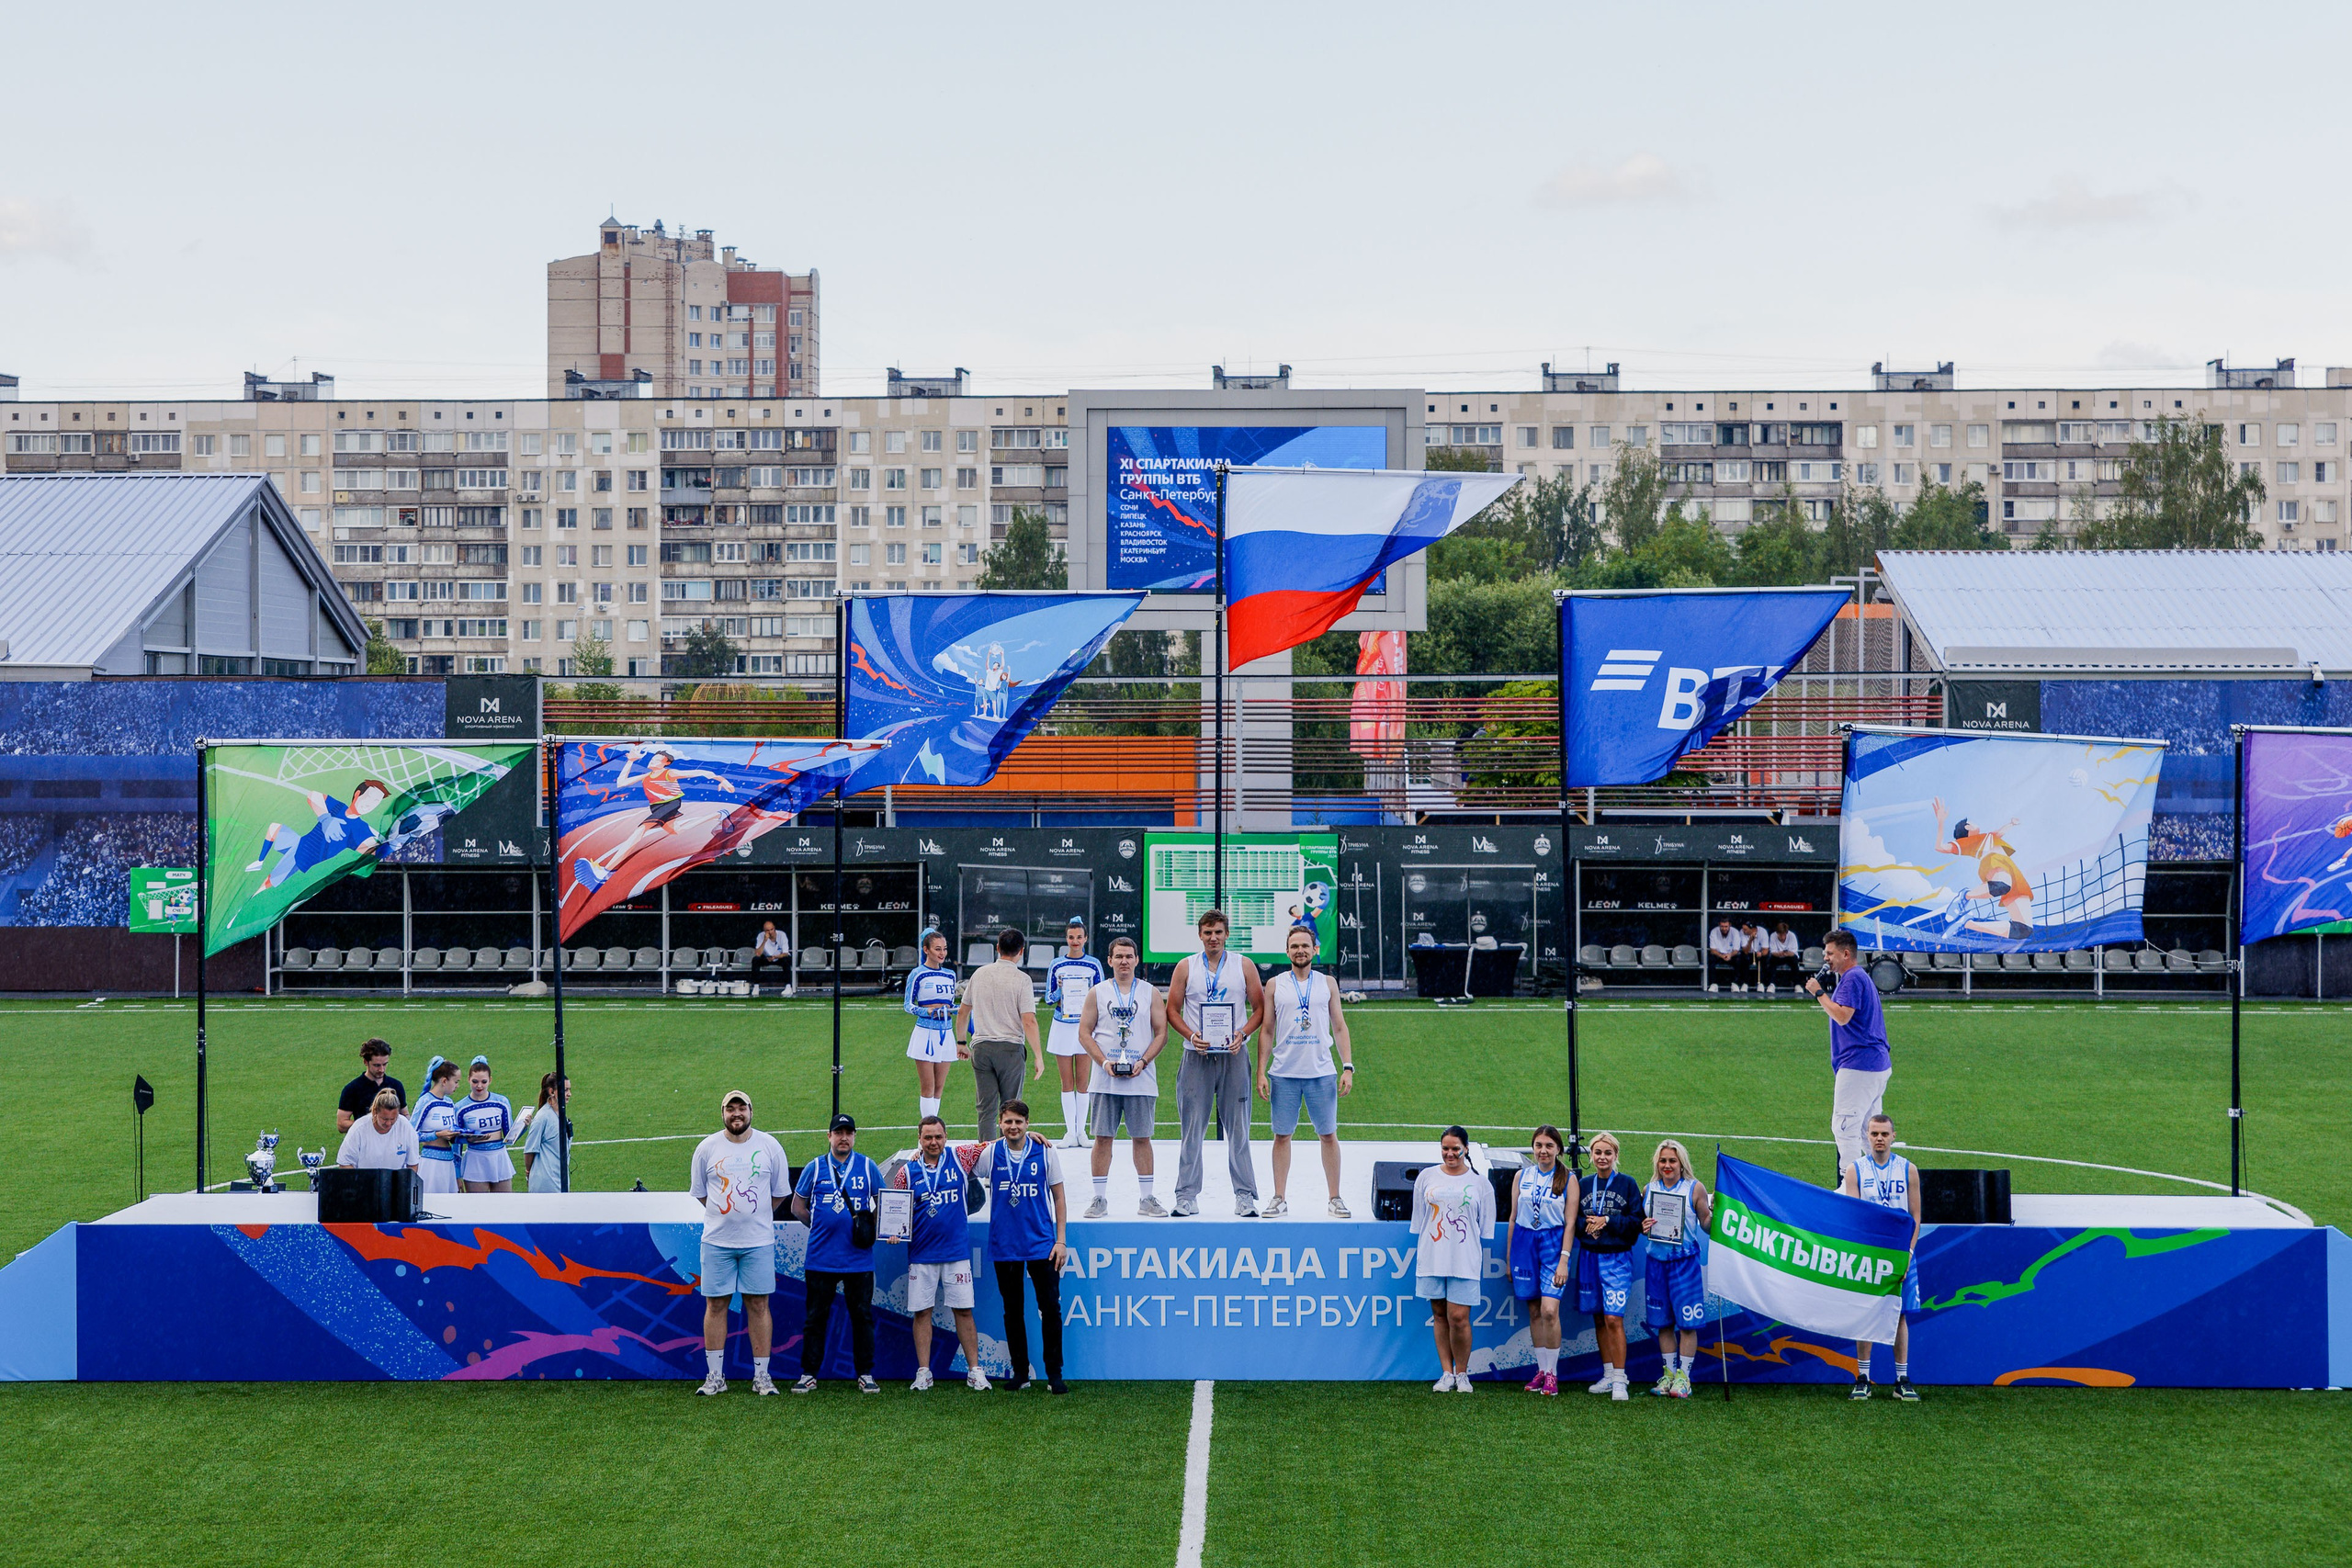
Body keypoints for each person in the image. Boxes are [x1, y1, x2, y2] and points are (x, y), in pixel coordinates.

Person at [688, 1089, 789, 1396]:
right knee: (715, 1305)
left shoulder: (770, 1146)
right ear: (722, 1113)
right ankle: (715, 1376)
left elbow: (779, 1192)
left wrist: (754, 1216)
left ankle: (762, 1377)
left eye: (741, 1108)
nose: (736, 1114)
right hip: (717, 1241)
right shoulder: (707, 1148)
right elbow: (701, 1193)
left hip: (758, 1242)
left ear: (751, 1111)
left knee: (758, 1305)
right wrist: (726, 1216)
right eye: (730, 1109)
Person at [1169, 908, 1264, 1218]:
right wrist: (1191, 1034)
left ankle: (1245, 1196)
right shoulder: (1186, 967)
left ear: (1226, 935)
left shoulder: (1243, 965)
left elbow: (1259, 1008)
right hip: (1197, 1055)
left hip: (1234, 1055)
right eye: (1208, 933)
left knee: (1239, 1129)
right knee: (1192, 1129)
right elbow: (1172, 1009)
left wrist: (1243, 1034)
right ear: (1200, 935)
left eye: (1218, 932)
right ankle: (1186, 1196)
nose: (1213, 938)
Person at [1256, 923, 1354, 1218]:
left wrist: (1347, 1066)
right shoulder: (1274, 984)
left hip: (1320, 1072)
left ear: (1315, 950)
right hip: (1284, 1073)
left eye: (1305, 946)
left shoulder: (1328, 983)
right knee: (1282, 1136)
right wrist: (1261, 1071)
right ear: (1287, 951)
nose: (1300, 950)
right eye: (1294, 946)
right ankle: (1279, 1197)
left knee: (1328, 1135)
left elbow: (1339, 1026)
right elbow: (1267, 1030)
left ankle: (1335, 1197)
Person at [890, 1115, 989, 1392]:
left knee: (964, 1311)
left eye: (938, 1137)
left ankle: (974, 1370)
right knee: (922, 1313)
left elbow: (996, 1143)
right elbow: (896, 1211)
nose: (933, 1142)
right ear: (919, 1139)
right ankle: (924, 1372)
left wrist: (1032, 1137)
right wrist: (894, 1231)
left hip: (956, 1254)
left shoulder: (961, 1158)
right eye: (927, 1138)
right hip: (921, 1255)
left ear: (946, 1136)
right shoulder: (906, 1173)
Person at [978, 1099, 1069, 1393]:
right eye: (1008, 1122)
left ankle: (1054, 1373)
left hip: (1042, 1244)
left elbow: (1059, 1197)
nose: (1013, 1127)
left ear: (1027, 1124)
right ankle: (1021, 1373)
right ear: (1000, 1124)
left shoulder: (1045, 1151)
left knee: (1050, 1310)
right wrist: (919, 1154)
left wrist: (1061, 1240)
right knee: (1012, 1310)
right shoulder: (991, 1153)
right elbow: (958, 1159)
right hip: (1005, 1245)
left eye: (1019, 1122)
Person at [791, 1112, 884, 1393]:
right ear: (828, 1136)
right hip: (821, 1258)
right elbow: (798, 1206)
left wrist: (870, 1226)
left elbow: (886, 1203)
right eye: (839, 1132)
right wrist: (819, 1225)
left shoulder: (868, 1166)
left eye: (849, 1133)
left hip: (858, 1259)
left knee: (862, 1317)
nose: (844, 1138)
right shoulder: (815, 1167)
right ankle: (809, 1374)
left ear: (855, 1136)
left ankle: (865, 1373)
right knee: (815, 1318)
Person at [1078, 934, 1168, 1218]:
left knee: (1142, 1137)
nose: (1124, 961)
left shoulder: (1150, 992)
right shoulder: (1098, 992)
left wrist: (1142, 1061)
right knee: (1103, 1138)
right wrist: (1104, 1063)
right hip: (1106, 1078)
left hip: (1141, 1077)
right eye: (1119, 956)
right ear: (1109, 960)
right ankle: (1099, 1199)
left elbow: (1162, 1033)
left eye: (1129, 956)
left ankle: (1147, 1198)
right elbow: (1084, 1033)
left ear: (1137, 960)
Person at [572, 744, 734, 894]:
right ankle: (720, 815)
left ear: (666, 763)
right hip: (657, 807)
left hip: (669, 804)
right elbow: (621, 783)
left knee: (640, 830)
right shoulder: (646, 776)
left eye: (657, 759)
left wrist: (723, 780)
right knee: (676, 830)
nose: (653, 760)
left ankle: (606, 871)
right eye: (652, 758)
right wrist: (630, 761)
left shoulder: (669, 773)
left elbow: (703, 772)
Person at [1843, 1112, 1923, 1402]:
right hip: (1869, 1254)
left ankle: (1901, 1379)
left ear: (1893, 1136)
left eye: (1884, 1134)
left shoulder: (1908, 1169)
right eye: (1874, 1134)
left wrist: (1909, 1253)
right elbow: (1854, 1217)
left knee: (1899, 1314)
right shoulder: (1856, 1170)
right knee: (1866, 1313)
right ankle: (1863, 1377)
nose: (1879, 1139)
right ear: (1867, 1136)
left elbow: (1915, 1216)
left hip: (1902, 1253)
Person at [1410, 1125, 1494, 1393]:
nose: (1450, 1154)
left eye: (1455, 1149)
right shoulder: (1426, 1177)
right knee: (1439, 1314)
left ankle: (1462, 1373)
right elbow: (1419, 1220)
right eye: (1445, 1148)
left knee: (1459, 1317)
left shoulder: (1481, 1183)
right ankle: (1446, 1373)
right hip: (1432, 1256)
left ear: (1466, 1149)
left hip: (1464, 1258)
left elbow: (1485, 1227)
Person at [1808, 931, 1892, 1185]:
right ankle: (1880, 1184)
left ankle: (1851, 1186)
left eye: (1830, 953)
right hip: (1874, 1064)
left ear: (1846, 954)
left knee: (1844, 1126)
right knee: (1869, 1133)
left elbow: (1843, 1015)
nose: (1825, 958)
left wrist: (1819, 993)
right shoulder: (1858, 978)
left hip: (1859, 1064)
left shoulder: (1852, 978)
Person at [1572, 1130, 1643, 1401]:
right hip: (1589, 1257)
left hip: (1617, 1259)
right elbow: (1573, 1221)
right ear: (1591, 1155)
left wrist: (1609, 1221)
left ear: (1616, 1156)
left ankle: (1620, 1379)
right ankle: (1608, 1373)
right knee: (1599, 1317)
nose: (1602, 1157)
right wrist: (1586, 1225)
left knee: (1614, 1318)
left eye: (1608, 1153)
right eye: (1598, 1152)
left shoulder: (1627, 1184)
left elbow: (1636, 1224)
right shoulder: (1584, 1183)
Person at [1641, 1138, 1713, 1399]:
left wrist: (1714, 1216)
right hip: (1656, 1263)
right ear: (1657, 1164)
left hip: (1685, 1263)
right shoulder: (1649, 1189)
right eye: (1663, 1161)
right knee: (1663, 1323)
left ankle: (1684, 1377)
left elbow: (1706, 1224)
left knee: (1688, 1324)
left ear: (1682, 1164)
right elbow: (1642, 1223)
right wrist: (1643, 1226)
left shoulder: (1695, 1188)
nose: (1667, 1166)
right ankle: (1669, 1374)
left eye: (1672, 1161)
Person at [1507, 1124, 1575, 1394]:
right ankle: (1542, 1370)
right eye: (1539, 1146)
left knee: (1549, 1310)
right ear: (1533, 1148)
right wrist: (1510, 1255)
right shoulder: (1521, 1176)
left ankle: (1553, 1374)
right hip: (1524, 1244)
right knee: (1534, 1310)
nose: (1543, 1151)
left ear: (1558, 1149)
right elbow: (1513, 1218)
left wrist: (1564, 1260)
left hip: (1552, 1246)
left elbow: (1570, 1224)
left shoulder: (1568, 1179)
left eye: (1549, 1146)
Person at [957, 928, 1043, 1134]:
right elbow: (1029, 1020)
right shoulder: (1022, 979)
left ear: (997, 948)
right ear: (1022, 951)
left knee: (985, 1109)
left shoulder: (979, 974)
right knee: (1011, 1107)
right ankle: (1009, 1154)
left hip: (982, 1047)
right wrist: (1038, 1056)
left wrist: (961, 1042)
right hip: (1010, 1048)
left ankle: (987, 1153)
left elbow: (963, 1011)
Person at [248, 778, 390, 890]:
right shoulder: (339, 807)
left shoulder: (361, 829)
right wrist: (325, 818)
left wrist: (393, 844)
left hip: (302, 858)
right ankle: (259, 862)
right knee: (274, 828)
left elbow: (372, 851)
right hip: (299, 842)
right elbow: (314, 795)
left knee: (267, 882)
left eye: (376, 802)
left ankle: (245, 903)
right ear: (358, 794)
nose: (371, 804)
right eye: (370, 798)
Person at [1044, 918, 1105, 1148]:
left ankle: (1082, 1132)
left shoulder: (1093, 964)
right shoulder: (1057, 964)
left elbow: (1101, 994)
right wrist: (1060, 990)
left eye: (1079, 937)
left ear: (1086, 938)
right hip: (1062, 1025)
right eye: (1071, 937)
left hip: (1085, 1028)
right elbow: (1048, 998)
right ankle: (1070, 1132)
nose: (1075, 941)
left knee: (1084, 1082)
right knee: (1066, 1082)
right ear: (1066, 939)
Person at [902, 929, 965, 1125]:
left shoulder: (950, 975)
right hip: (925, 1034)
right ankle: (926, 1131)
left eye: (944, 949)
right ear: (926, 950)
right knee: (927, 1088)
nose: (942, 953)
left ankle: (934, 1129)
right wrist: (927, 1012)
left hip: (946, 1034)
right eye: (937, 949)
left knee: (939, 1088)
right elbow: (908, 1005)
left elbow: (949, 1003)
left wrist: (956, 1009)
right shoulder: (918, 974)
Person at [452, 1055, 514, 1192]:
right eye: (475, 1081)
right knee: (477, 1208)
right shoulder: (460, 1108)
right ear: (468, 1079)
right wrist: (457, 1175)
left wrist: (524, 1125)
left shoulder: (501, 1102)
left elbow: (510, 1136)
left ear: (490, 1080)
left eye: (484, 1081)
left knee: (505, 1206)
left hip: (499, 1158)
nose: (479, 1086)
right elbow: (456, 1144)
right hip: (475, 1159)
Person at [410, 1057, 462, 1195]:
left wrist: (471, 1137)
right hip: (431, 1162)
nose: (457, 1086)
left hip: (449, 1161)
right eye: (456, 1082)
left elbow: (454, 1132)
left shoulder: (450, 1103)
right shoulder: (425, 1102)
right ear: (444, 1081)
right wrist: (437, 1134)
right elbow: (410, 1135)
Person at [335, 1089, 421, 1171]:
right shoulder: (359, 1128)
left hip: (396, 1183)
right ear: (375, 1112)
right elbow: (345, 1163)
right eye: (384, 1119)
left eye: (393, 1119)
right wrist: (359, 1182)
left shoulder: (405, 1126)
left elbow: (413, 1164)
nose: (388, 1123)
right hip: (364, 1182)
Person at [335, 1039, 406, 1134]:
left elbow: (405, 1115)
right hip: (365, 1142)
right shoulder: (352, 1089)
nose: (381, 1069)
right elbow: (341, 1124)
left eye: (385, 1064)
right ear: (365, 1062)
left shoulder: (396, 1086)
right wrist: (372, 1125)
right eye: (377, 1065)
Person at [517, 1073, 571, 1193]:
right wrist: (529, 1173)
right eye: (565, 1090)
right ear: (552, 1092)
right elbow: (530, 1150)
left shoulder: (561, 1115)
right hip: (546, 1183)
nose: (569, 1094)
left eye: (569, 1090)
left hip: (561, 1179)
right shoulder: (542, 1118)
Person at [1706, 917, 1743, 994]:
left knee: (1739, 959)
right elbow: (1713, 950)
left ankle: (1735, 984)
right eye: (1722, 926)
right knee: (1711, 958)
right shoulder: (1714, 931)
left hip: (1731, 955)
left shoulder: (1735, 932)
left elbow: (1736, 950)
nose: (1724, 928)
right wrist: (1721, 956)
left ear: (1730, 925)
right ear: (1719, 925)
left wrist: (1730, 955)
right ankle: (1713, 984)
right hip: (1718, 955)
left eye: (1726, 926)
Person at [749, 920, 792, 987]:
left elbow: (785, 953)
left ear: (774, 928)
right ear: (764, 931)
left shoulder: (782, 934)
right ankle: (756, 986)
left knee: (786, 960)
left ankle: (788, 986)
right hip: (767, 958)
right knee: (755, 960)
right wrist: (765, 940)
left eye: (772, 929)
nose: (770, 932)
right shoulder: (760, 936)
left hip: (779, 957)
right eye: (767, 930)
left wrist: (775, 957)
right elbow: (758, 953)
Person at [1764, 921, 1803, 995]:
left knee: (1794, 961)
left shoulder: (1792, 936)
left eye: (1784, 934)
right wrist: (1780, 953)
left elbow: (1793, 952)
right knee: (1772, 961)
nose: (1782, 937)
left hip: (1789, 957)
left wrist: (1786, 953)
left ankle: (1797, 984)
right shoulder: (1773, 936)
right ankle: (1771, 984)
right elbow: (1773, 952)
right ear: (1777, 933)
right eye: (1780, 935)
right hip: (1777, 957)